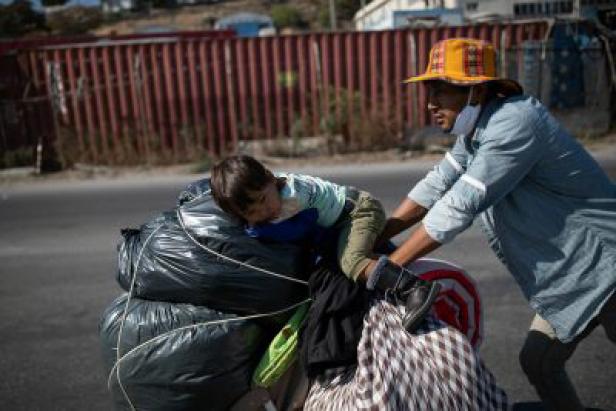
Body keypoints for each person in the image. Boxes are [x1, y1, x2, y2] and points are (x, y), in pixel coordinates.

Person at [375, 37, 616, 410]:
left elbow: (457, 206)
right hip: (574, 278)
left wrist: (389, 267)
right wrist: (376, 236)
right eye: (428, 90)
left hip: (607, 266)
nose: (430, 102)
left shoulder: (515, 123)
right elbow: (436, 186)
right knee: (538, 361)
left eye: (442, 90)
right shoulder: (473, 135)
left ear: (476, 90)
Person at [209, 155, 441, 332]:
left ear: (271, 179)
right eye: (252, 211)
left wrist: (253, 229)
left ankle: (413, 287)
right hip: (342, 221)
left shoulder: (292, 198)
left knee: (352, 262)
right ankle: (392, 272)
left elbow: (296, 231)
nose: (264, 211)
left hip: (358, 212)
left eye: (263, 199)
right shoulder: (274, 196)